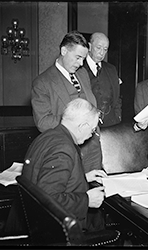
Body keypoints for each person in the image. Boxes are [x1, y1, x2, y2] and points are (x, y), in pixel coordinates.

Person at [21, 98, 107, 232]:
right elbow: (48, 198)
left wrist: (82, 177)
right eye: (92, 130)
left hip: (30, 218)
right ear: (82, 126)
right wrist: (87, 200)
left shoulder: (48, 135)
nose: (92, 135)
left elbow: (46, 176)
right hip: (51, 230)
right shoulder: (63, 148)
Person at [31, 30, 102, 173]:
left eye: (83, 58)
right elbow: (43, 122)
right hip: (65, 152)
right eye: (77, 57)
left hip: (93, 150)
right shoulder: (42, 82)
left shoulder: (82, 74)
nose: (81, 63)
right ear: (64, 51)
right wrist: (75, 123)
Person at [83, 32, 122, 127]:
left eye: (105, 49)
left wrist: (118, 117)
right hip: (87, 124)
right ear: (89, 46)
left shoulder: (111, 69)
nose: (102, 53)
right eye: (98, 48)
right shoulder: (79, 68)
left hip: (111, 123)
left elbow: (117, 97)